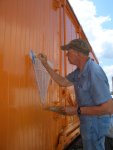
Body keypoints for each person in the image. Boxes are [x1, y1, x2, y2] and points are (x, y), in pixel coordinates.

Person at [38, 38, 113, 150]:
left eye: (69, 51)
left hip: (96, 125)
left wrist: (76, 110)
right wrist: (45, 64)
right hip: (88, 123)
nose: (66, 54)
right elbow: (62, 82)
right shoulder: (79, 71)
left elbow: (108, 108)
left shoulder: (94, 72)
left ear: (78, 53)